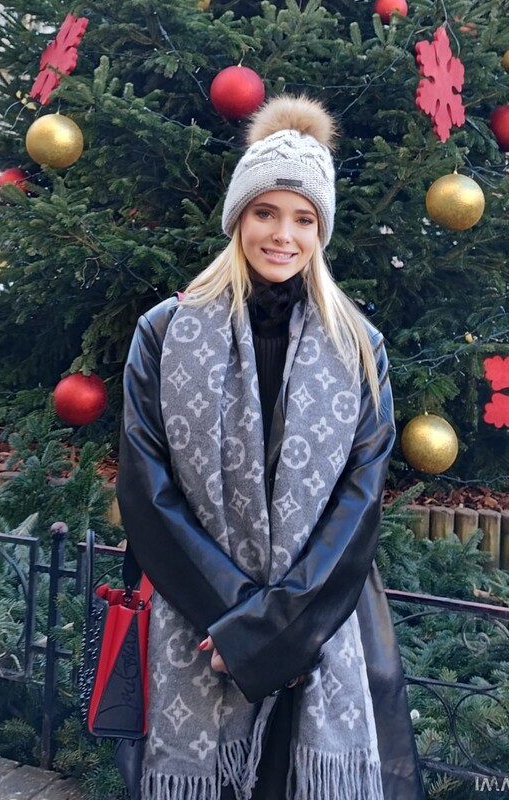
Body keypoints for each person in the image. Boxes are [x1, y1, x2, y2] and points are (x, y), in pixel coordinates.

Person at [117, 95, 425, 800]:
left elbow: (359, 500)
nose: (283, 235)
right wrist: (235, 623)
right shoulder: (163, 333)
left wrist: (276, 631)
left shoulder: (360, 346)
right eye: (265, 212)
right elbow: (145, 487)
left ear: (321, 230)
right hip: (197, 618)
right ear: (238, 218)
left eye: (303, 218)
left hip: (318, 620)